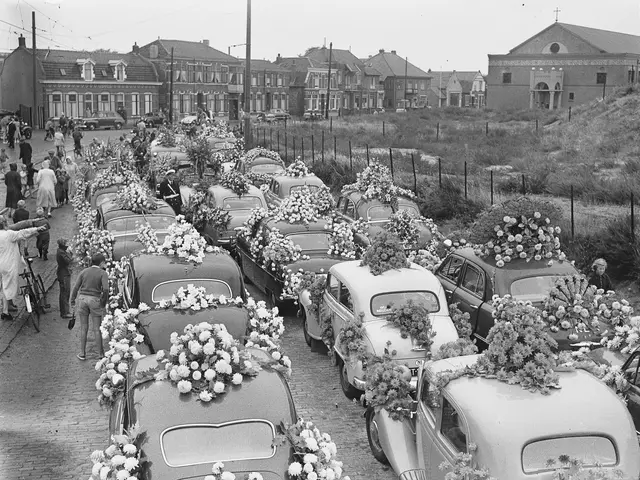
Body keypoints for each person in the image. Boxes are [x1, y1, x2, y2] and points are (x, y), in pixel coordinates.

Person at [0, 215, 46, 320]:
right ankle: (5, 312)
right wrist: (37, 229)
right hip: (11, 264)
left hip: (2, 264)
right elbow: (23, 233)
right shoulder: (9, 234)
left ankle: (8, 307)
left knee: (5, 285)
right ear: (4, 223)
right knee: (16, 283)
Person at [70, 253, 109, 360]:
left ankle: (82, 353)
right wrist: (103, 303)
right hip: (94, 299)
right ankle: (101, 354)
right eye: (104, 262)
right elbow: (105, 289)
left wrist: (72, 300)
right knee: (97, 328)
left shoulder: (84, 271)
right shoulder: (103, 273)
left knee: (84, 327)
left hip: (82, 299)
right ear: (101, 263)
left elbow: (76, 287)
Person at [56, 238, 73, 319]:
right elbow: (68, 261)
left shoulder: (60, 251)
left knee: (64, 293)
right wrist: (70, 253)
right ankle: (65, 312)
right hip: (64, 274)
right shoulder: (61, 252)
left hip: (64, 273)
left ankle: (64, 311)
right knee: (65, 293)